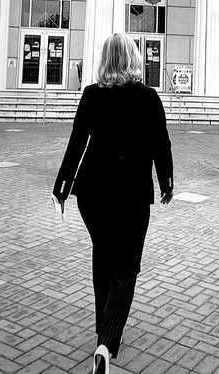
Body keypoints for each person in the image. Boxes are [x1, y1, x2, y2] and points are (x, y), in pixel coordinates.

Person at [52, 33, 174, 374]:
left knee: (103, 258)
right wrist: (167, 183)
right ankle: (107, 342)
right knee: (126, 266)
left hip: (92, 194)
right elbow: (161, 145)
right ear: (134, 59)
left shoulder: (92, 95)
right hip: (132, 194)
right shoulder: (148, 97)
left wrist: (61, 188)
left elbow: (77, 142)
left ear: (106, 60)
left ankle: (101, 330)